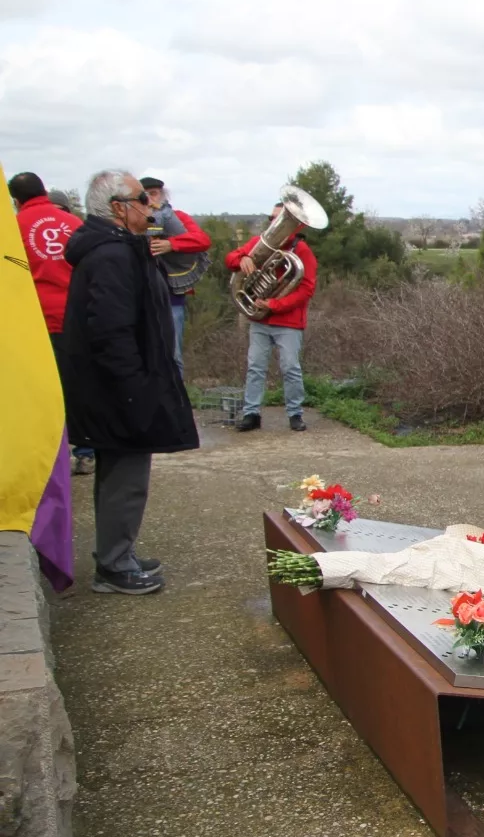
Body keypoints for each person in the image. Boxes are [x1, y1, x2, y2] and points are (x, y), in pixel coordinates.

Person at [60, 170, 198, 594]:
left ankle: (117, 553)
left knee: (120, 475)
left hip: (120, 386)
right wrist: (135, 389)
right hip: (119, 390)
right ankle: (115, 567)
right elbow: (111, 332)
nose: (151, 205)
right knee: (125, 479)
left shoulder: (117, 249)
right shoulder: (111, 256)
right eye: (142, 198)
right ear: (119, 207)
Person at [11, 172, 92, 475]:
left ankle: (48, 458)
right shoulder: (74, 224)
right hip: (79, 316)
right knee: (78, 386)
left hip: (39, 320)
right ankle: (85, 451)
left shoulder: (15, 227)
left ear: (17, 200)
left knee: (42, 393)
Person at [227, 200, 317, 433]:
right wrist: (242, 259)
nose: (275, 224)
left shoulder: (302, 251)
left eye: (281, 220)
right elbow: (230, 259)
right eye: (272, 219)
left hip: (288, 322)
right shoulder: (259, 243)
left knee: (290, 368)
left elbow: (306, 289)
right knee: (255, 367)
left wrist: (275, 304)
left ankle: (295, 414)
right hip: (260, 320)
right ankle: (251, 413)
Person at [139, 176, 212, 373]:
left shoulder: (177, 216)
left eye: (153, 194)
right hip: (140, 296)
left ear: (162, 195)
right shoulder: (135, 221)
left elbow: (202, 240)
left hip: (172, 297)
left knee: (174, 354)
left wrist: (172, 244)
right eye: (144, 195)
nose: (149, 198)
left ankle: (177, 401)